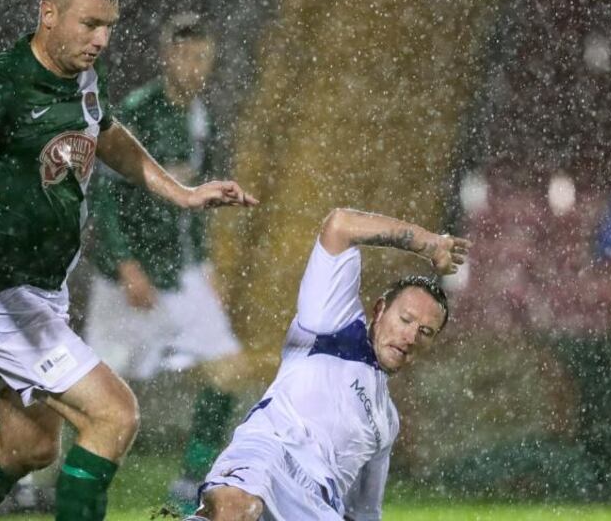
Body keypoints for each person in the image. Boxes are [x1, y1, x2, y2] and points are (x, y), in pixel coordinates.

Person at [0, 0, 256, 521]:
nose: (101, 40)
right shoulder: (0, 84)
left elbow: (107, 135)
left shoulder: (86, 78)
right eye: (89, 24)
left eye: (109, 27)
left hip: (39, 292)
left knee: (29, 446)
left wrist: (182, 193)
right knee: (114, 414)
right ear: (48, 15)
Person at [185, 208, 470, 521]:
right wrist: (426, 243)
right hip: (269, 454)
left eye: (425, 332)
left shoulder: (386, 422)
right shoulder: (333, 324)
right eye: (405, 319)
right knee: (237, 505)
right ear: (379, 309)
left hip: (317, 506)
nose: (410, 336)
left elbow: (364, 512)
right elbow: (341, 225)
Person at [84, 12, 245, 513]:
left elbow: (198, 201)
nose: (196, 66)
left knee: (227, 371)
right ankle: (67, 483)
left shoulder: (202, 118)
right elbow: (105, 196)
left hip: (181, 273)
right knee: (92, 395)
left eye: (204, 57)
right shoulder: (138, 111)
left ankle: (192, 480)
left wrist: (207, 265)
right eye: (187, 55)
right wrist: (126, 262)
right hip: (125, 279)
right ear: (167, 55)